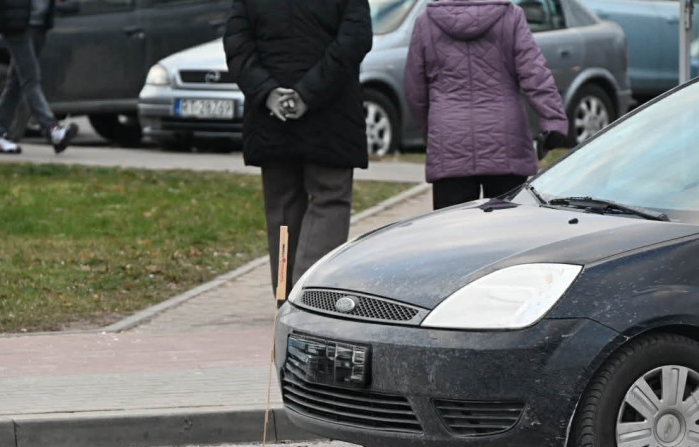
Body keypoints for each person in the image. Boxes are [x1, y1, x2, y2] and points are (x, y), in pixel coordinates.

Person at [224, 0, 373, 299]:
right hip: (332, 114)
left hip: (271, 118)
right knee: (329, 199)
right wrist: (308, 93)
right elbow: (355, 40)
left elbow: (237, 44)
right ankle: (310, 297)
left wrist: (268, 93)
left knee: (281, 206)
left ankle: (283, 295)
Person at [404, 0, 569, 210]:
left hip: (451, 138)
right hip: (506, 140)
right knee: (507, 233)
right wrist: (553, 120)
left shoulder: (426, 22)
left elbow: (415, 90)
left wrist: (433, 131)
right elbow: (534, 73)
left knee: (451, 233)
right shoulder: (511, 16)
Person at [0, 0, 78, 154]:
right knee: (31, 78)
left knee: (16, 82)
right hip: (15, 23)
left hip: (39, 24)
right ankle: (52, 129)